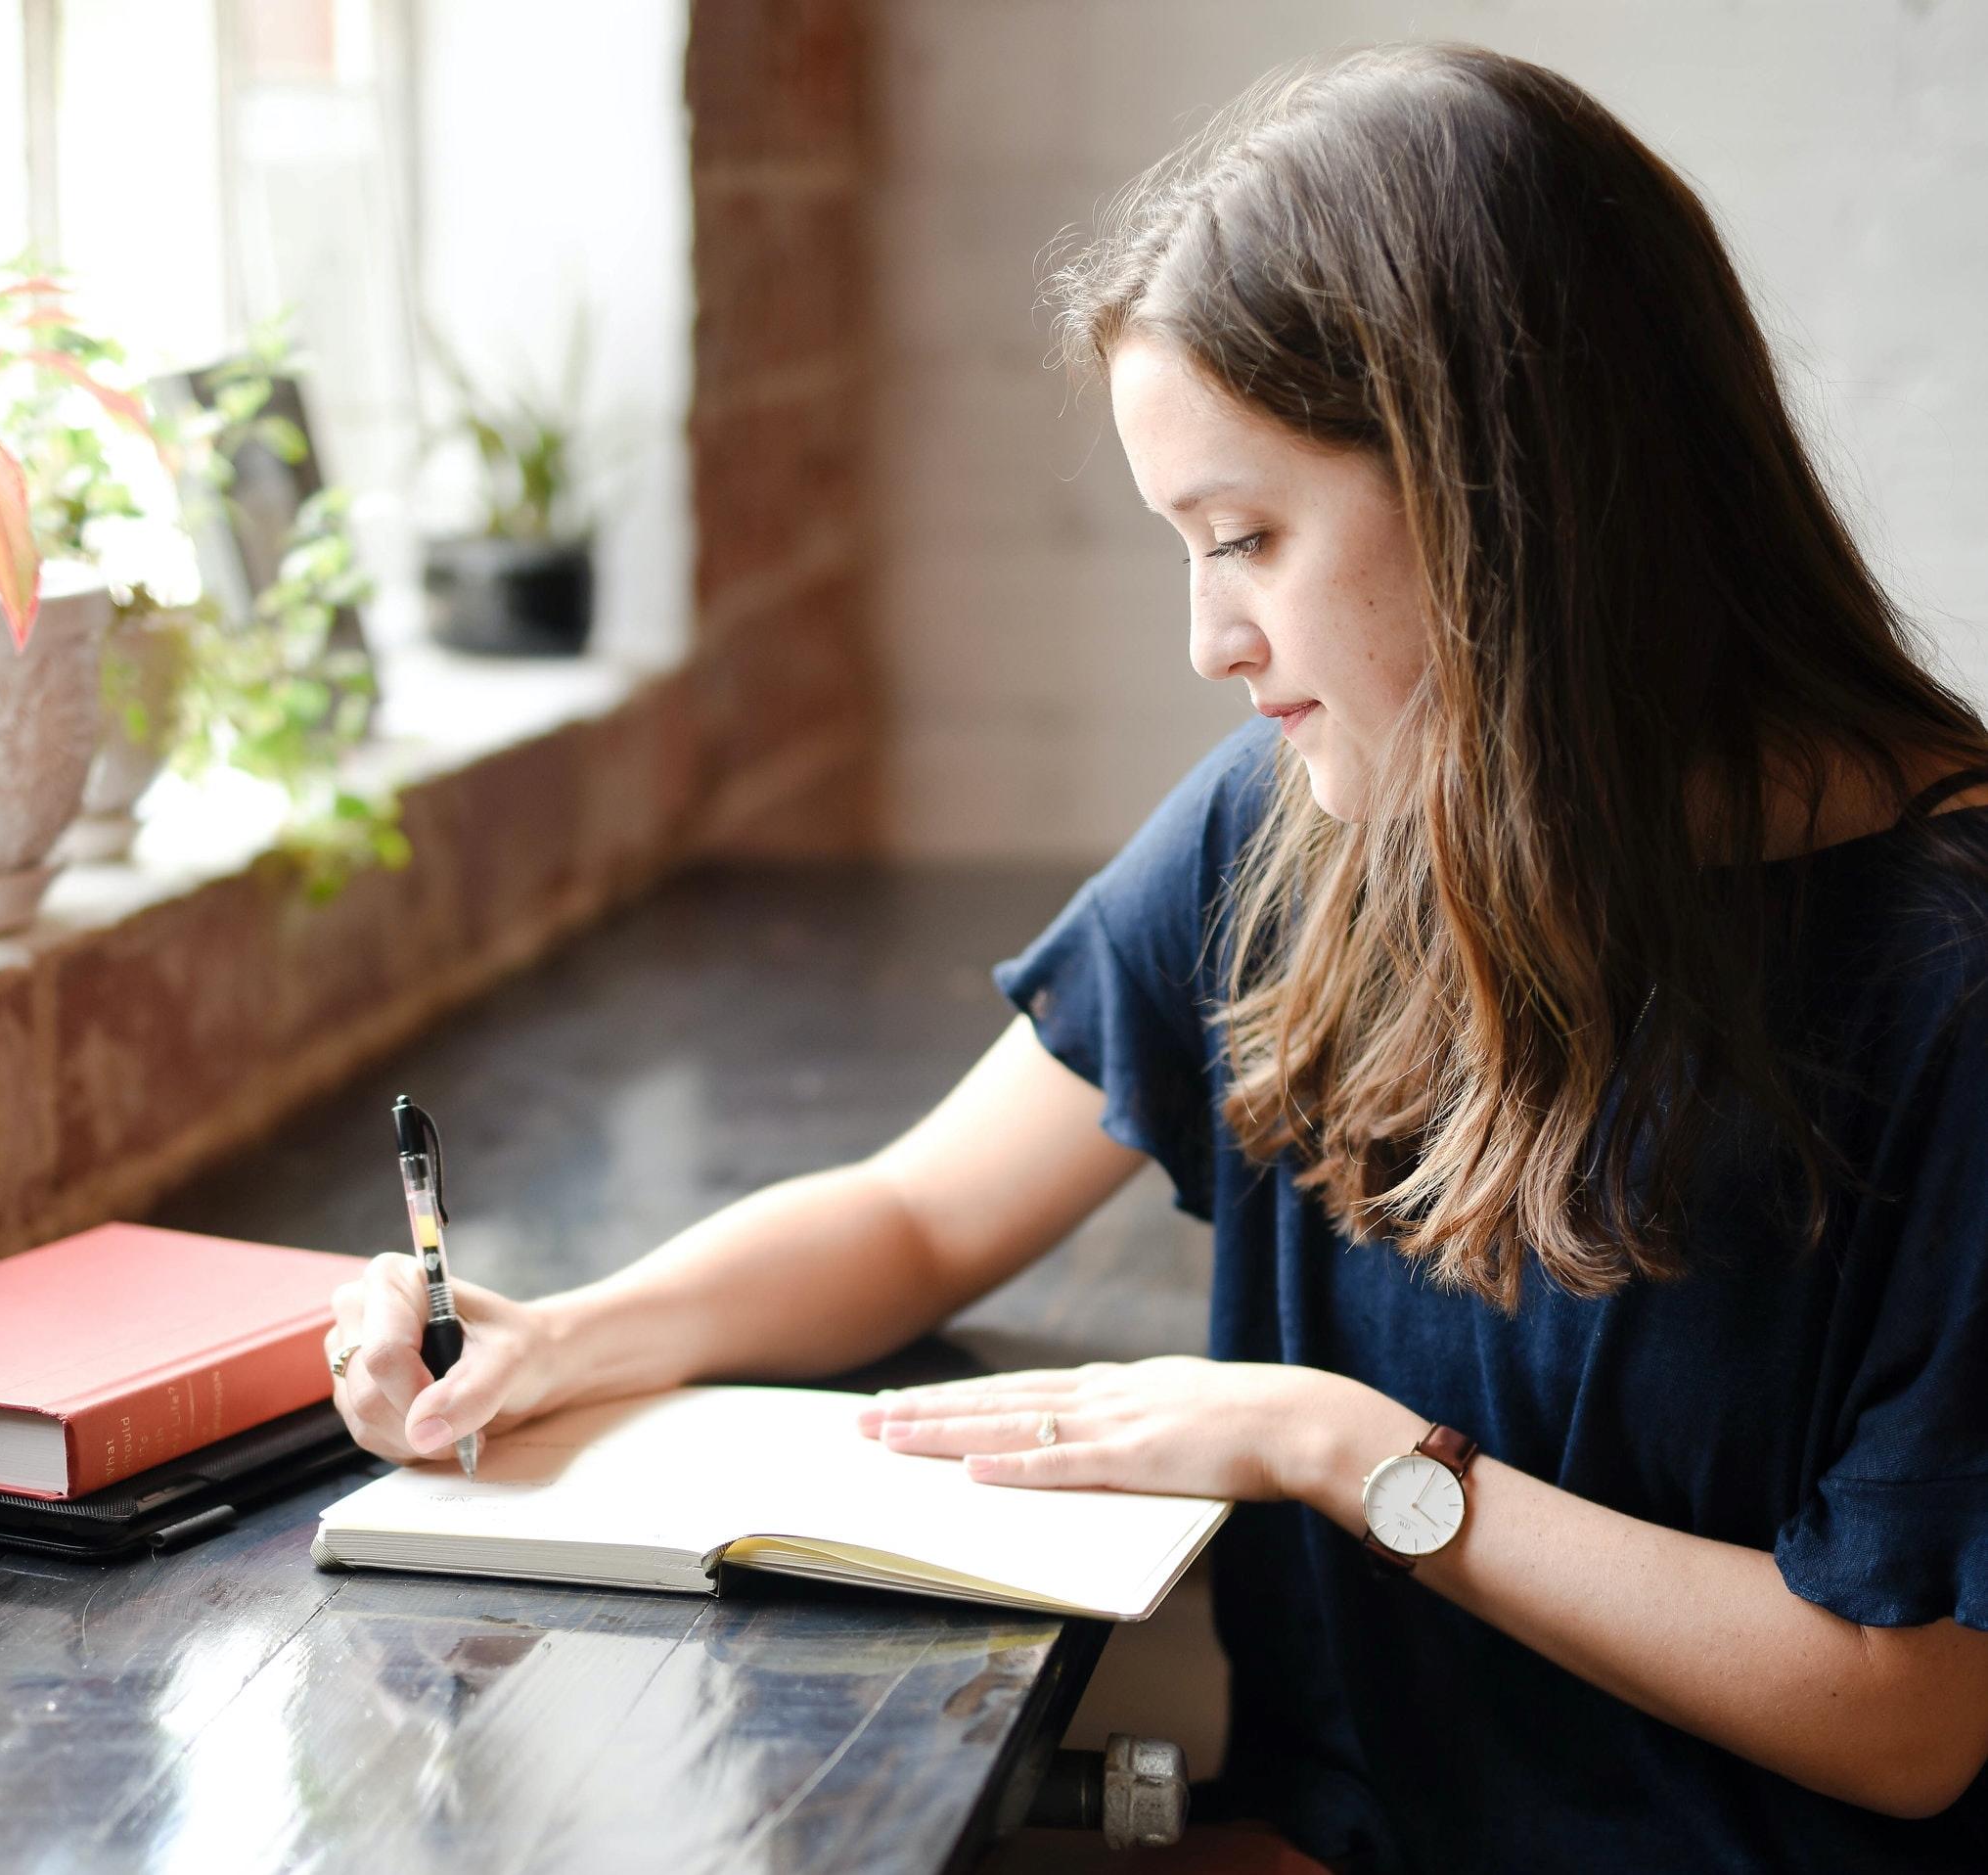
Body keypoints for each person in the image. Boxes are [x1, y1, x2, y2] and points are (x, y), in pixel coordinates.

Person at [328, 42, 1988, 1874]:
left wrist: (1346, 1451)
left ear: (1512, 497)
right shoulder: (1301, 827)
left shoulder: (1953, 983)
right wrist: (561, 1340)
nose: (1212, 637)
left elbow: (1901, 1714)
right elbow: (917, 1218)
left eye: (1250, 538)